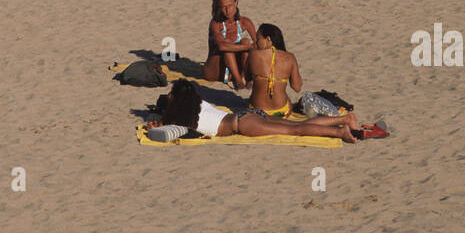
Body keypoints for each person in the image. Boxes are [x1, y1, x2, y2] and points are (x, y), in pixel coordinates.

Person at [150, 79, 362, 142]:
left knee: (296, 130)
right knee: (295, 125)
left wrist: (158, 121)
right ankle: (345, 119)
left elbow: (164, 127)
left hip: (242, 124)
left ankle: (339, 131)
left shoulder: (182, 120)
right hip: (249, 115)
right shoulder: (198, 103)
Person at [202, 0, 257, 85]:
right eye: (223, 7)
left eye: (230, 5)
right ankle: (239, 82)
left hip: (234, 69)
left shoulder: (245, 22)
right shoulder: (216, 23)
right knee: (227, 44)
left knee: (245, 41)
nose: (228, 10)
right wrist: (248, 47)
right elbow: (221, 47)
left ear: (236, 3)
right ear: (219, 8)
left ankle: (247, 78)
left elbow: (258, 43)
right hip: (215, 70)